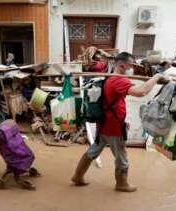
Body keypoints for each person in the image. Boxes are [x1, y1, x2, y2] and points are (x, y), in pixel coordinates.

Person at [71, 52, 168, 192]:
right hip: (113, 127)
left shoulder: (110, 78)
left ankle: (77, 176)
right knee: (121, 156)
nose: (132, 68)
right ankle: (121, 183)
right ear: (122, 65)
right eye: (130, 65)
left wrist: (123, 120)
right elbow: (141, 92)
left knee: (93, 150)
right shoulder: (119, 80)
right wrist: (156, 77)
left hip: (104, 123)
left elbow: (116, 102)